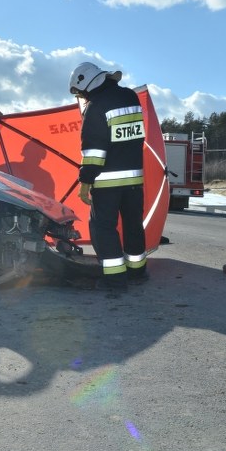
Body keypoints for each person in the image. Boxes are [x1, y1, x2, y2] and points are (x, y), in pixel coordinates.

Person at [69, 62, 148, 291]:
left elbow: (94, 152)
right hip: (134, 180)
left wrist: (85, 182)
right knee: (133, 226)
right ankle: (137, 272)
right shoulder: (130, 97)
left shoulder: (96, 107)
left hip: (107, 183)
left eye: (81, 93)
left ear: (87, 84)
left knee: (103, 228)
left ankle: (114, 280)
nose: (83, 97)